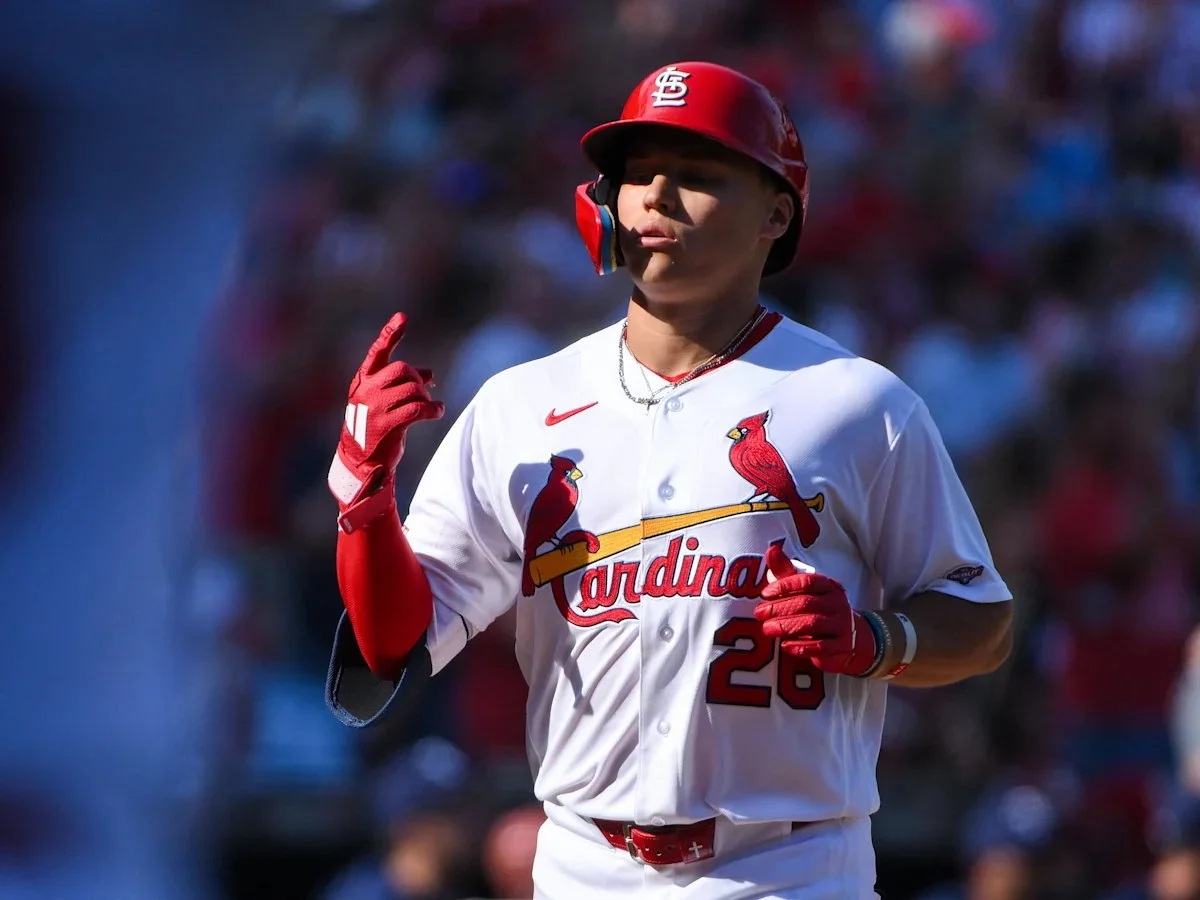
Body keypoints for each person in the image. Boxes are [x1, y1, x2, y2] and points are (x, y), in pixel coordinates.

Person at [322, 61, 1014, 899]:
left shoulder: (858, 403)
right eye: (638, 173)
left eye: (697, 174)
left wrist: (877, 641)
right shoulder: (520, 405)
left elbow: (983, 619)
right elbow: (391, 640)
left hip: (787, 867)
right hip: (584, 866)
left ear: (776, 213)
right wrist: (365, 504)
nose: (656, 195)